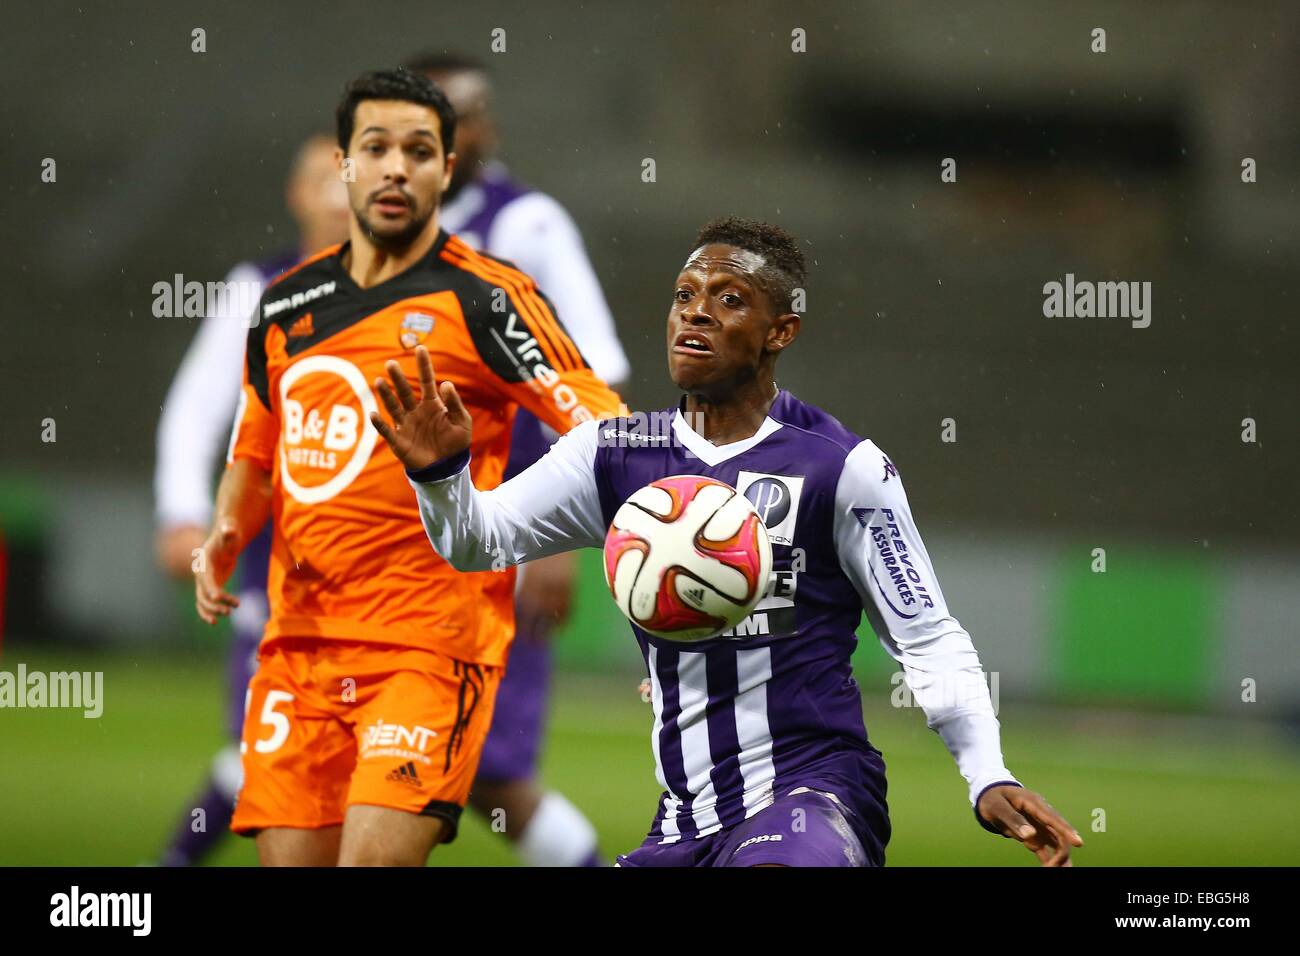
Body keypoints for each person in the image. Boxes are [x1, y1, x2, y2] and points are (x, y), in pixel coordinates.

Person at [371, 217, 1085, 866]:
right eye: (685, 295)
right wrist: (439, 474)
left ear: (782, 331)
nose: (696, 312)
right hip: (683, 822)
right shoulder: (612, 454)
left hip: (812, 796)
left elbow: (926, 636)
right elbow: (476, 541)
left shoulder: (841, 467)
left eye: (729, 299)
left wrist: (986, 770)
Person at [194, 68, 622, 866]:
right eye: (377, 147)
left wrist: (579, 534)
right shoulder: (286, 306)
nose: (397, 167)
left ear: (447, 171)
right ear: (344, 164)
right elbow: (255, 448)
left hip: (429, 645)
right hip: (301, 647)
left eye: (420, 150)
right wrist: (226, 528)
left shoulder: (489, 298)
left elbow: (600, 423)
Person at [405, 51, 629, 867]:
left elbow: (594, 376)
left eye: (484, 108)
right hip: (395, 539)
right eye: (460, 111)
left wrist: (563, 541)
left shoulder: (526, 225)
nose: (482, 125)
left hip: (501, 530)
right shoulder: (387, 234)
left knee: (490, 771)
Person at [153, 134, 349, 866]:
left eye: (349, 175)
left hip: (388, 570)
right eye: (320, 178)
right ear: (294, 195)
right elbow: (197, 408)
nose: (337, 190)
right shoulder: (258, 287)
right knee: (274, 749)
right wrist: (182, 512)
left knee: (343, 761)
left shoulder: (425, 290)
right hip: (280, 559)